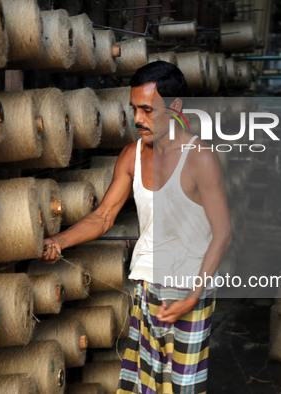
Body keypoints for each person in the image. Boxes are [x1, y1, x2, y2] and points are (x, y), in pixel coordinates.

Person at [39, 61, 232, 394]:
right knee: (145, 387)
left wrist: (194, 297)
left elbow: (223, 232)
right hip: (147, 286)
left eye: (147, 110)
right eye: (134, 109)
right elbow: (103, 216)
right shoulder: (131, 156)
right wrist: (59, 240)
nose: (138, 119)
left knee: (182, 389)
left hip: (189, 289)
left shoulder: (199, 157)